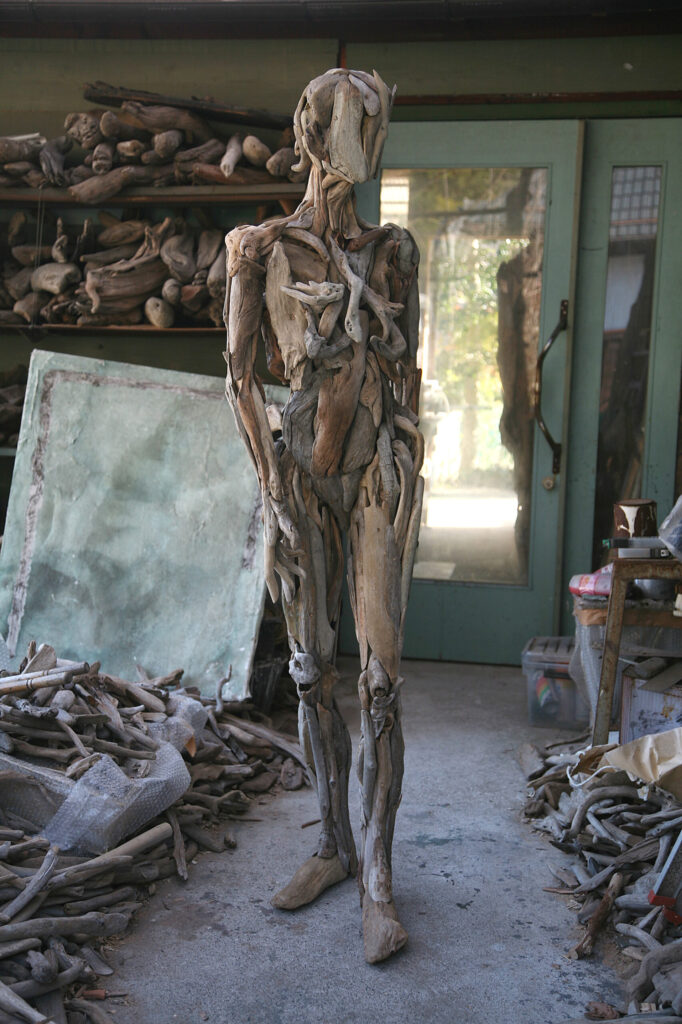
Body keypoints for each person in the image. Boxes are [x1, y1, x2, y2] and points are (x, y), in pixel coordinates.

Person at [223, 68, 423, 964]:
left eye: (369, 124)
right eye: (344, 122)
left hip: (375, 473)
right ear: (309, 130)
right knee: (312, 673)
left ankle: (377, 876)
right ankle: (332, 845)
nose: (357, 141)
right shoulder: (257, 249)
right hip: (301, 474)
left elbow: (408, 375)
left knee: (381, 684)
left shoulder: (394, 252)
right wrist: (272, 486)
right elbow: (239, 378)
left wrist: (409, 467)